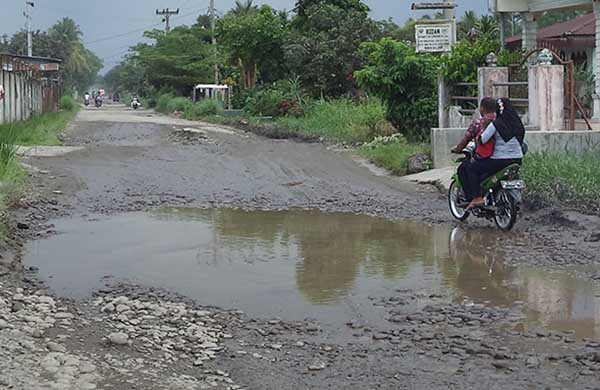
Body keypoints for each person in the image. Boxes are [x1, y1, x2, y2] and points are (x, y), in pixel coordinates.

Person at [464, 98, 525, 210]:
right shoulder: (518, 125)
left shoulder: (496, 124)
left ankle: (477, 198)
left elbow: (482, 140)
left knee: (471, 168)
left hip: (499, 161)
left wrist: (483, 129)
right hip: (517, 159)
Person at [451, 97, 497, 202]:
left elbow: (466, 139)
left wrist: (457, 149)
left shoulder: (478, 123)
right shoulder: (502, 121)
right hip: (503, 157)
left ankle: (473, 198)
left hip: (487, 158)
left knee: (464, 169)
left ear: (482, 108)